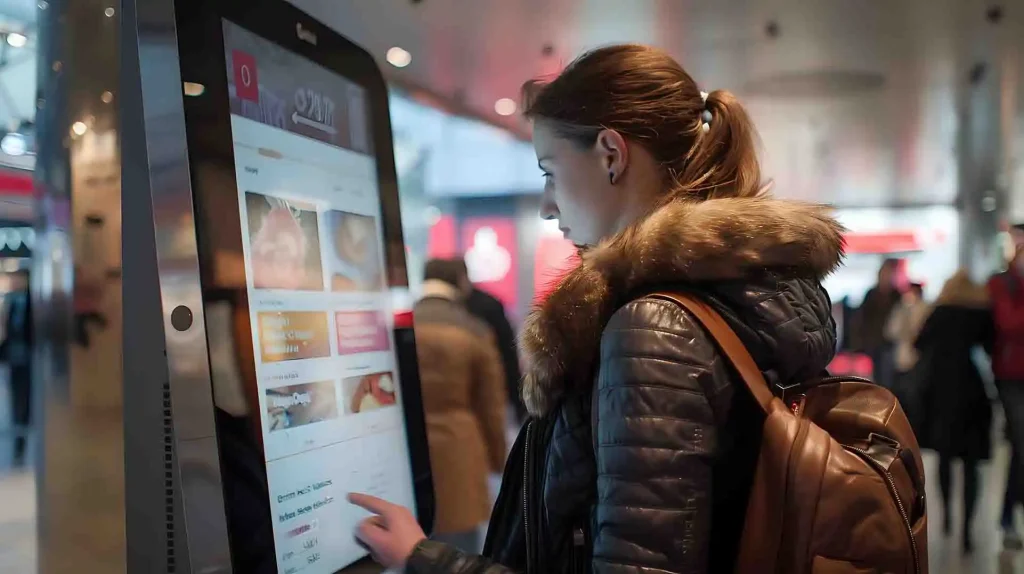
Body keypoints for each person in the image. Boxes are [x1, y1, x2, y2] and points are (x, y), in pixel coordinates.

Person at [348, 44, 844, 573]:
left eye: (550, 171)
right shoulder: (747, 295)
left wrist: (423, 560)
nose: (547, 204)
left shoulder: (655, 328)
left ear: (611, 154)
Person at [412, 259, 508, 552]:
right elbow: (491, 407)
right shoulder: (475, 330)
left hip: (406, 454)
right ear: (461, 283)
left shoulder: (399, 325)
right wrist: (499, 459)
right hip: (458, 454)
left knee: (409, 548)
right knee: (459, 554)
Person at [914, 271, 993, 553]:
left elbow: (918, 343)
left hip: (941, 392)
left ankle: (946, 514)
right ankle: (967, 529)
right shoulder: (979, 314)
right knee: (971, 466)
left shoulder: (941, 312)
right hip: (971, 391)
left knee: (944, 459)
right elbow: (992, 347)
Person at [454, 258, 525, 423]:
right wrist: (518, 402)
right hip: (486, 393)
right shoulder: (488, 304)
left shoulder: (422, 312)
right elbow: (508, 354)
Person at [988, 238, 1024, 549]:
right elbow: (1007, 324)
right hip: (1011, 376)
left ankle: (1008, 515)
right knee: (1021, 442)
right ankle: (1008, 516)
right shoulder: (1001, 284)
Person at [885, 282, 930, 423]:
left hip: (918, 360)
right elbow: (891, 331)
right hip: (901, 360)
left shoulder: (925, 309)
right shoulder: (901, 309)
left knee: (916, 398)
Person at [854, 259, 902, 389]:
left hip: (889, 341)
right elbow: (862, 319)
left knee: (887, 375)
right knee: (879, 374)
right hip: (874, 341)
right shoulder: (872, 294)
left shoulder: (896, 295)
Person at [0, 271, 32, 466]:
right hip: (14, 358)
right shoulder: (11, 302)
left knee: (26, 400)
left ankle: (23, 442)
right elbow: (8, 331)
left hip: (30, 360)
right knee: (16, 398)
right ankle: (17, 443)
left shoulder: (33, 302)